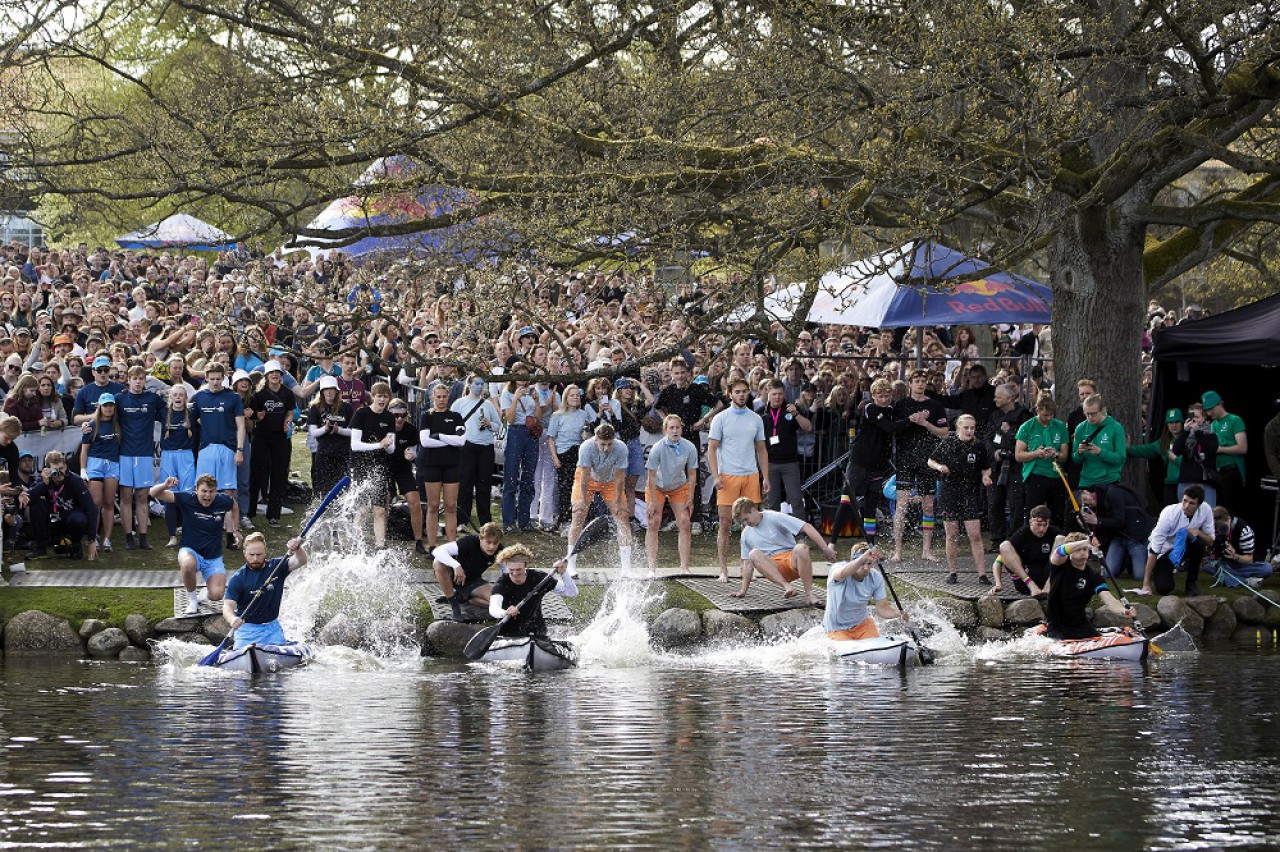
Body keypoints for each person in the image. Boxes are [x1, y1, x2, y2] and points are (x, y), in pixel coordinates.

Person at [832, 378, 908, 548]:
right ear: (873, 396)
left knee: (870, 507)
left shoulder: (891, 410)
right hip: (859, 462)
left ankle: (870, 546)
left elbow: (895, 425)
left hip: (878, 465)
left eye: (887, 396)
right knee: (846, 501)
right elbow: (888, 427)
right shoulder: (870, 408)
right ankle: (832, 543)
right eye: (880, 396)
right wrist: (910, 419)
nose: (884, 399)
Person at [707, 378, 769, 581]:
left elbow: (761, 449)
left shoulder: (756, 418)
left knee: (750, 525)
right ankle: (723, 569)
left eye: (744, 391)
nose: (741, 395)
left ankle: (745, 568)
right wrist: (716, 476)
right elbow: (711, 449)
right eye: (737, 392)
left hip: (751, 476)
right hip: (728, 476)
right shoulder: (720, 418)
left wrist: (765, 477)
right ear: (730, 394)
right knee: (725, 523)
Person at [151, 473, 237, 615]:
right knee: (187, 564)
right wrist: (165, 485)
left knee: (217, 595)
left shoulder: (223, 500)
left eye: (211, 492)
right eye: (204, 491)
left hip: (213, 556)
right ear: (196, 490)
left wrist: (235, 530)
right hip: (190, 550)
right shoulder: (187, 498)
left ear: (216, 491)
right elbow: (153, 493)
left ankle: (202, 595)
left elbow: (234, 506)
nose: (207, 496)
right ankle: (192, 600)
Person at [731, 497, 836, 606]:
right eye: (742, 521)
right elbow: (747, 564)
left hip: (791, 560)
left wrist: (825, 549)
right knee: (753, 554)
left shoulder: (773, 517)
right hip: (773, 568)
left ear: (753, 510)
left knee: (802, 547)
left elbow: (807, 527)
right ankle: (787, 587)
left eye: (746, 519)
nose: (745, 523)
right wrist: (743, 590)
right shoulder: (746, 534)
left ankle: (809, 594)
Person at [891, 368, 950, 562]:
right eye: (916, 380)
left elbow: (944, 432)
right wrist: (909, 420)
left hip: (928, 459)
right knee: (902, 505)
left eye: (923, 381)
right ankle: (897, 551)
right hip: (905, 459)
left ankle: (926, 551)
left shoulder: (935, 406)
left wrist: (926, 424)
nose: (920, 384)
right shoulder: (901, 405)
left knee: (929, 505)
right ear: (910, 383)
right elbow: (893, 428)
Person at [928, 413, 994, 584]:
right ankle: (952, 572)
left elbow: (986, 467)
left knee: (975, 534)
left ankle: (982, 574)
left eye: (972, 428)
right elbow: (930, 461)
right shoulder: (949, 442)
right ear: (958, 428)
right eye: (966, 428)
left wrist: (986, 477)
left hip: (969, 493)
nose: (970, 431)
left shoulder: (978, 446)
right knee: (952, 534)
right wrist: (939, 467)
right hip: (949, 492)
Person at [189, 362, 246, 546]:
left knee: (227, 494)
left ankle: (230, 534)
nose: (215, 382)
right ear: (206, 378)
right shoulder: (199, 397)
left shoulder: (233, 397)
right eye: (212, 379)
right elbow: (191, 419)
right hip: (206, 450)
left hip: (227, 449)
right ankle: (202, 533)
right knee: (202, 492)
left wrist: (239, 450)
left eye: (218, 379)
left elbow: (241, 426)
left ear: (224, 378)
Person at [567, 423, 633, 577]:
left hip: (610, 481)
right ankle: (570, 565)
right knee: (578, 514)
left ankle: (626, 569)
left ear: (614, 440)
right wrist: (582, 500)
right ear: (596, 439)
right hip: (587, 480)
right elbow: (584, 476)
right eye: (603, 444)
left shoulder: (621, 448)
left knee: (623, 516)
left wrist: (619, 501)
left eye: (609, 444)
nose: (606, 448)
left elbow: (620, 477)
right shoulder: (586, 447)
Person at [222, 533, 309, 649]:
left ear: (265, 552)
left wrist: (298, 549)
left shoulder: (277, 567)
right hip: (247, 630)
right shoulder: (238, 578)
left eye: (259, 554)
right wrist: (232, 619)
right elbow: (228, 606)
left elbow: (301, 561)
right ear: (244, 553)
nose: (255, 559)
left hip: (272, 628)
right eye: (251, 555)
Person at [1044, 531, 1136, 640]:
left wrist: (1123, 611)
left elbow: (1109, 600)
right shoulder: (1060, 565)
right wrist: (1085, 542)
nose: (1082, 553)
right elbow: (1059, 551)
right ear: (1070, 552)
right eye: (1078, 550)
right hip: (1057, 626)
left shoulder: (1094, 576)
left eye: (1085, 549)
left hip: (1080, 624)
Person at [116, 365, 164, 550]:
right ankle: (129, 537)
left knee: (143, 496)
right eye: (134, 378)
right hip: (125, 454)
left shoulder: (153, 398)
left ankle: (143, 538)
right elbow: (103, 416)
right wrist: (88, 425)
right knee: (126, 496)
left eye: (141, 378)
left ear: (145, 381)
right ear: (128, 380)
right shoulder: (119, 399)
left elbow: (169, 415)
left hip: (144, 454)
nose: (138, 382)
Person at [20, 451, 99, 561]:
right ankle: (40, 548)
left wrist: (92, 540)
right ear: (47, 469)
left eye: (61, 468)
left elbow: (91, 509)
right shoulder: (44, 479)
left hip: (70, 516)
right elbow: (29, 499)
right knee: (37, 505)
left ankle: (76, 546)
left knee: (79, 519)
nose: (60, 473)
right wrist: (44, 484)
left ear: (65, 466)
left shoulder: (75, 480)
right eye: (55, 470)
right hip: (52, 518)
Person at [645, 414, 698, 575]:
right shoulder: (657, 448)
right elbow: (651, 476)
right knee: (653, 522)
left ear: (682, 429)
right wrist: (652, 501)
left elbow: (692, 473)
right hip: (657, 486)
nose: (675, 431)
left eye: (677, 427)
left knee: (685, 522)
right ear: (665, 430)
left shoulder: (689, 447)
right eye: (671, 428)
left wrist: (691, 498)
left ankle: (684, 567)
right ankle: (651, 568)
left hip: (678, 485)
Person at [487, 543, 578, 637]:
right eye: (511, 570)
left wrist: (563, 573)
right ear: (506, 565)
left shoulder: (538, 577)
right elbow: (493, 608)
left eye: (519, 570)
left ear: (526, 565)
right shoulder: (502, 583)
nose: (515, 573)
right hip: (508, 634)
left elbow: (572, 593)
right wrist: (504, 613)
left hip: (536, 631)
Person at [1140, 484, 1215, 597]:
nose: (1186, 506)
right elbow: (1154, 550)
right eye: (1185, 501)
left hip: (1185, 546)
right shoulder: (1169, 514)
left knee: (1199, 542)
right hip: (1165, 551)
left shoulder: (1206, 509)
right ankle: (1161, 572)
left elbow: (1210, 541)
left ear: (1199, 505)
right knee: (1164, 588)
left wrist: (1199, 532)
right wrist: (1146, 583)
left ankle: (1191, 583)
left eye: (1192, 503)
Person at [823, 543, 909, 640]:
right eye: (862, 563)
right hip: (836, 627)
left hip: (862, 624)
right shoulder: (838, 568)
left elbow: (883, 609)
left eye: (869, 563)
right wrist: (863, 558)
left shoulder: (876, 577)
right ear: (852, 560)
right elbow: (841, 574)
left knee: (876, 647)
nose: (866, 568)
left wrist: (898, 613)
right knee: (850, 649)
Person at [348, 381, 397, 549]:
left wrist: (387, 445)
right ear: (373, 397)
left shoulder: (389, 417)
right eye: (379, 396)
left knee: (380, 509)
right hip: (360, 465)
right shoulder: (361, 414)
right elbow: (355, 445)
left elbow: (391, 449)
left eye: (385, 397)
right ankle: (357, 543)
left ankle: (380, 545)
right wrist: (379, 445)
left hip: (379, 466)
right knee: (361, 508)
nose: (382, 400)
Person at [417, 384, 466, 549]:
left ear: (448, 397)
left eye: (444, 396)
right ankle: (432, 546)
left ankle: (451, 546)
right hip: (432, 465)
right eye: (438, 396)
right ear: (433, 397)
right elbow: (425, 442)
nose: (441, 400)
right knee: (433, 506)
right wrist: (449, 440)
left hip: (452, 465)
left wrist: (439, 436)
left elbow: (461, 441)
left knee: (450, 506)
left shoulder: (456, 416)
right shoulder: (426, 416)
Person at [1078, 482, 1155, 583]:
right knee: (1108, 573)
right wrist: (1085, 524)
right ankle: (1127, 561)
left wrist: (1097, 521)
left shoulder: (1113, 494)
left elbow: (1119, 520)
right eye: (1084, 503)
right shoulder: (1097, 506)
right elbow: (1102, 528)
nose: (1088, 503)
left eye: (1085, 499)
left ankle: (1137, 561)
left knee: (1140, 575)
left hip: (1135, 537)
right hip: (1118, 537)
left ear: (1087, 492)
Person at [452, 374, 501, 531]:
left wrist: (489, 424)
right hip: (466, 446)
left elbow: (498, 426)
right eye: (477, 384)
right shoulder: (459, 403)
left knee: (484, 485)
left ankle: (485, 522)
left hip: (485, 447)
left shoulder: (488, 405)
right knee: (465, 484)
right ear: (469, 385)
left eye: (482, 384)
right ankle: (462, 521)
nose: (480, 387)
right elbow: (451, 423)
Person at [248, 360, 294, 526]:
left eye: (278, 373)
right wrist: (257, 417)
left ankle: (273, 514)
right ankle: (250, 511)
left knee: (278, 474)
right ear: (266, 376)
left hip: (279, 437)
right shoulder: (258, 394)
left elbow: (290, 412)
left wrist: (288, 421)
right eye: (272, 373)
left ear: (281, 375)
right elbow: (252, 415)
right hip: (261, 436)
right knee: (257, 473)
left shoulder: (287, 393)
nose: (275, 375)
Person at [985, 382, 1031, 549]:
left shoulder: (1024, 415)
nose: (995, 399)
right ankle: (997, 539)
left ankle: (1015, 540)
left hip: (1015, 465)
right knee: (994, 503)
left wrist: (1008, 433)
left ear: (1010, 398)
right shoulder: (995, 415)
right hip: (997, 466)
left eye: (998, 396)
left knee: (1016, 504)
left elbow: (1025, 439)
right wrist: (994, 453)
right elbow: (988, 438)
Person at [1015, 392, 1070, 528]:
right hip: (1035, 474)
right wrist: (1036, 453)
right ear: (1038, 410)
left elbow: (1064, 456)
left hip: (1056, 475)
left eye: (1051, 415)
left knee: (1058, 513)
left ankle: (1057, 537)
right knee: (1035, 512)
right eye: (1045, 415)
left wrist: (1055, 454)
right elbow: (1019, 455)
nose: (1049, 418)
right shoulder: (1027, 426)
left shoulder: (1060, 426)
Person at [759, 379, 811, 519]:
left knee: (796, 500)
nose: (777, 397)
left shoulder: (791, 409)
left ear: (784, 393)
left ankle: (800, 530)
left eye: (780, 394)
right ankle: (774, 530)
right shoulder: (761, 413)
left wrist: (796, 414)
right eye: (774, 394)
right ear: (768, 394)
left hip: (790, 463)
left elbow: (808, 427)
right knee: (772, 502)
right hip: (770, 463)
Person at [546, 384, 594, 532]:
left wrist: (587, 436)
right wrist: (555, 458)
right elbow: (550, 438)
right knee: (564, 489)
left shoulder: (584, 414)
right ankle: (563, 520)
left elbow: (588, 435)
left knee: (580, 487)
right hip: (563, 453)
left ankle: (578, 519)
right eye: (572, 395)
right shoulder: (557, 415)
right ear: (566, 397)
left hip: (578, 453)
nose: (575, 397)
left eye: (577, 395)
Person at [432, 522, 504, 621]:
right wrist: (456, 566)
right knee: (438, 563)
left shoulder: (500, 551)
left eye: (495, 543)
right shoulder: (468, 542)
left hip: (472, 581)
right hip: (452, 575)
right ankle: (454, 604)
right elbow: (437, 551)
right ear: (481, 539)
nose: (491, 547)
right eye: (488, 542)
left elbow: (508, 572)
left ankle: (465, 599)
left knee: (499, 602)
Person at [500, 372, 543, 533]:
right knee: (511, 477)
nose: (522, 378)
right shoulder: (507, 393)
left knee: (528, 478)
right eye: (519, 375)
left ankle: (524, 521)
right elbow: (510, 419)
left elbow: (538, 418)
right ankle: (508, 522)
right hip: (515, 432)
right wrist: (515, 399)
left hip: (531, 434)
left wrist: (537, 401)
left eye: (525, 375)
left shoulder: (532, 392)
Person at [80, 392, 121, 551]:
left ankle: (107, 540)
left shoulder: (118, 423)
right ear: (100, 407)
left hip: (113, 464)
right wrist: (83, 469)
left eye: (111, 405)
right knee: (95, 503)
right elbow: (84, 450)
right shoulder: (91, 425)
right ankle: (93, 536)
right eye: (105, 405)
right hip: (95, 463)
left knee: (109, 502)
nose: (108, 408)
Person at [158, 385, 197, 547]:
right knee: (170, 496)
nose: (178, 397)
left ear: (186, 397)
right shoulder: (163, 412)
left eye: (181, 395)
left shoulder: (192, 412)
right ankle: (172, 536)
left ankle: (188, 534)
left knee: (187, 496)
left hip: (186, 455)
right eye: (175, 395)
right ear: (171, 397)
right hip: (168, 455)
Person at [992, 505, 1061, 595]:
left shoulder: (1054, 532)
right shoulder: (1021, 535)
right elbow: (998, 562)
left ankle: (1048, 585)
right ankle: (1032, 586)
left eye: (1045, 525)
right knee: (1004, 545)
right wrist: (998, 584)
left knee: (1061, 539)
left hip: (1049, 578)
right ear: (1030, 522)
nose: (1042, 529)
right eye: (1038, 525)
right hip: (1026, 580)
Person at [305, 375, 353, 500]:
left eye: (332, 389)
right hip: (324, 451)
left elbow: (353, 432)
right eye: (326, 389)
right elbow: (313, 432)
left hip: (343, 451)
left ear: (337, 391)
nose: (329, 392)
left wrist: (339, 430)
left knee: (342, 487)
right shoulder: (315, 408)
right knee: (324, 487)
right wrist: (325, 429)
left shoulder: (346, 407)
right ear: (322, 392)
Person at [1201, 390, 1247, 512]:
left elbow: (1243, 447)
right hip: (1216, 473)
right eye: (1207, 410)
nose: (1209, 413)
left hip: (1232, 470)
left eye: (1211, 409)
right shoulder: (1213, 425)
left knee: (1230, 509)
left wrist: (1219, 449)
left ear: (1220, 404)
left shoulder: (1234, 419)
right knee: (1218, 509)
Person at [1128, 407, 1184, 507]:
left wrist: (1176, 459)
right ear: (1166, 425)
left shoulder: (1189, 439)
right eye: (1170, 422)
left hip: (1186, 482)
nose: (1173, 425)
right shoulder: (1163, 442)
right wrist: (1127, 449)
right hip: (1170, 484)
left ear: (1182, 423)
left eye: (1177, 422)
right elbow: (1145, 449)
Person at [1204, 505, 1270, 588]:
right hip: (1223, 563)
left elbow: (1249, 559)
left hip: (1242, 564)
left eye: (1220, 526)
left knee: (1266, 568)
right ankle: (1246, 581)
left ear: (1228, 519)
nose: (1218, 529)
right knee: (1207, 565)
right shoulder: (1211, 529)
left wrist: (1235, 556)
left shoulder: (1244, 530)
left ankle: (1228, 578)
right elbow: (1209, 552)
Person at [1071, 394, 1126, 488]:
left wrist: (1100, 452)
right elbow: (1075, 460)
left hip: (1109, 480)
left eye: (1093, 414)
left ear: (1103, 410)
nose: (1090, 417)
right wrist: (1079, 453)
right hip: (1086, 480)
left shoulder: (1115, 427)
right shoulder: (1080, 428)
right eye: (1087, 414)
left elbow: (1120, 458)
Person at [1172, 403, 1220, 506]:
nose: (1194, 420)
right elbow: (1176, 450)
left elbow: (1211, 449)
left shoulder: (1210, 434)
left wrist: (1197, 431)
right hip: (1186, 481)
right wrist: (1185, 432)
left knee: (1208, 512)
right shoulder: (1185, 435)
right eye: (1191, 417)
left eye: (1197, 417)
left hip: (1205, 483)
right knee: (1185, 512)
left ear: (1203, 418)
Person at [71, 355, 125, 425]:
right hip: (95, 428)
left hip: (116, 428)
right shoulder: (84, 391)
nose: (103, 373)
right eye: (99, 370)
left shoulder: (120, 389)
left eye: (106, 370)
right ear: (93, 372)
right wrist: (96, 416)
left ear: (109, 371)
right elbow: (75, 419)